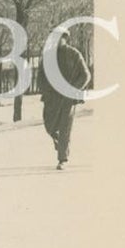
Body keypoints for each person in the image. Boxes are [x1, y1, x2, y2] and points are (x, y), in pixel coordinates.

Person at [39, 30, 91, 170]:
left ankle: (62, 158)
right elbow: (40, 76)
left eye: (59, 38)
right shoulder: (47, 56)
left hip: (68, 99)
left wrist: (73, 89)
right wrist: (45, 90)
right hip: (52, 98)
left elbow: (86, 75)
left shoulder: (74, 54)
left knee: (65, 127)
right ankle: (58, 140)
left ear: (65, 38)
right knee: (49, 126)